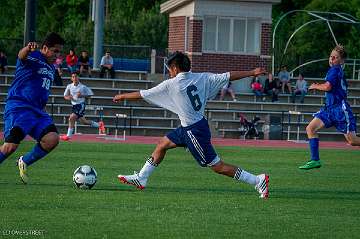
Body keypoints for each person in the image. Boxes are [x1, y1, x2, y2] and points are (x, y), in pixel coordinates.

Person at [113, 51, 270, 199]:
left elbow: (143, 94)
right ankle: (142, 178)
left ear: (175, 68)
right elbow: (229, 75)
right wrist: (252, 72)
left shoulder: (171, 84)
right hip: (192, 126)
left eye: (170, 69)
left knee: (217, 166)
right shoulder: (203, 77)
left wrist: (122, 96)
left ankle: (257, 180)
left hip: (194, 131)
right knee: (162, 144)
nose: (169, 72)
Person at [0, 32, 65, 184]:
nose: (57, 55)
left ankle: (24, 161)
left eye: (59, 52)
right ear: (45, 48)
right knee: (9, 147)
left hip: (37, 112)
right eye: (55, 51)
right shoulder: (34, 55)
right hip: (20, 107)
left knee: (52, 139)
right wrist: (28, 48)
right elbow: (21, 56)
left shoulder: (51, 67)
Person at [299, 45, 360, 170]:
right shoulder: (334, 70)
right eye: (331, 56)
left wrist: (315, 86)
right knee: (311, 128)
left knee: (353, 141)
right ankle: (315, 160)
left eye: (335, 57)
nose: (331, 59)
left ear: (341, 61)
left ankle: (315, 160)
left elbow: (328, 87)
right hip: (329, 109)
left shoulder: (335, 70)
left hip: (339, 110)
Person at [60, 72, 105, 141]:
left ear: (78, 77)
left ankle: (68, 136)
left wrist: (82, 96)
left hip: (80, 105)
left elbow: (91, 94)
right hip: (74, 105)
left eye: (76, 76)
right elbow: (65, 96)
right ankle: (99, 125)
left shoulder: (83, 87)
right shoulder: (69, 86)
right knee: (84, 122)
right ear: (71, 78)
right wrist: (70, 98)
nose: (74, 78)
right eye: (73, 77)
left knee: (71, 118)